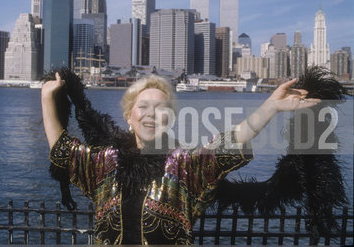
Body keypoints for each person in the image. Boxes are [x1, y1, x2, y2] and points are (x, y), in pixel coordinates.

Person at [41, 73, 320, 244]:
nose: (151, 114)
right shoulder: (105, 162)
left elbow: (232, 140)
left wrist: (270, 106)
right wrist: (46, 98)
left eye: (161, 108)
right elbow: (63, 150)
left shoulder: (184, 165)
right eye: (143, 106)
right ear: (129, 117)